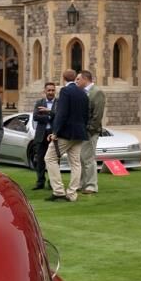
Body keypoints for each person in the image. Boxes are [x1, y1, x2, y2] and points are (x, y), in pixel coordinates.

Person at [44, 69, 89, 203]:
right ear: (75, 78)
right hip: (80, 133)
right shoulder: (83, 93)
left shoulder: (65, 91)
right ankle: (72, 193)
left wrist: (55, 132)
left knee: (50, 158)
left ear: (63, 78)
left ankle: (58, 191)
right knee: (75, 163)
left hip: (66, 133)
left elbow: (62, 114)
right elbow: (86, 115)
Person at [78, 69, 106, 194]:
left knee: (88, 158)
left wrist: (90, 129)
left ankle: (91, 185)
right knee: (81, 158)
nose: (76, 82)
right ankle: (82, 183)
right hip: (82, 131)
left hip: (90, 132)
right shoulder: (83, 92)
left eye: (78, 79)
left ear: (85, 79)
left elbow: (98, 114)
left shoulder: (97, 92)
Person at [31, 81, 57, 190]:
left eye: (52, 90)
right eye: (49, 90)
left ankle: (52, 183)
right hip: (41, 134)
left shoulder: (59, 103)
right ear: (45, 91)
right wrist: (50, 116)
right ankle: (40, 182)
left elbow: (61, 116)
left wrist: (49, 112)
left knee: (54, 161)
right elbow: (36, 116)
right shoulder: (39, 102)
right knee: (40, 159)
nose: (51, 92)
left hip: (53, 134)